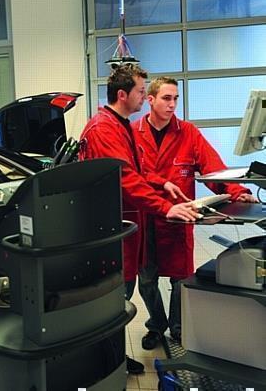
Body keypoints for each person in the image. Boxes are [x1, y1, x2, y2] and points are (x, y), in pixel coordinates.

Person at [79, 63, 201, 375]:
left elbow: (135, 170)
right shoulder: (104, 129)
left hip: (125, 232)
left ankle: (114, 357)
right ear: (123, 94)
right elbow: (124, 178)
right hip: (111, 233)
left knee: (122, 297)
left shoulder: (119, 125)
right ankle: (107, 364)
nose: (144, 97)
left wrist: (162, 183)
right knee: (112, 302)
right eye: (141, 92)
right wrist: (166, 206)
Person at [131, 77, 257, 350]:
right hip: (146, 216)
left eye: (175, 98)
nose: (172, 104)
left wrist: (236, 192)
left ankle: (178, 327)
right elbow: (131, 174)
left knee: (180, 278)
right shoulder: (133, 132)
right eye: (166, 98)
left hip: (180, 218)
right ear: (150, 100)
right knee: (148, 279)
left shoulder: (188, 132)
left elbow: (213, 168)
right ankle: (156, 325)